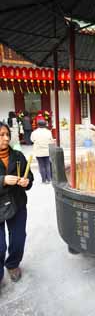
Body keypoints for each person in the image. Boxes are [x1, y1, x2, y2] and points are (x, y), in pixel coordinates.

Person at [0, 121, 33, 288]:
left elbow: (31, 178)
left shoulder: (18, 156)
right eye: (1, 135)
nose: (5, 138)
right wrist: (2, 180)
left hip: (17, 203)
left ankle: (13, 264)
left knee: (19, 238)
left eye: (7, 135)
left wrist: (27, 182)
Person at [31, 119, 54, 184]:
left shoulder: (34, 132)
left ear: (38, 125)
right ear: (45, 125)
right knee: (47, 165)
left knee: (41, 165)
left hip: (38, 151)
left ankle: (44, 180)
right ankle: (49, 179)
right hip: (47, 151)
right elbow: (51, 140)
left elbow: (32, 140)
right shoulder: (48, 132)